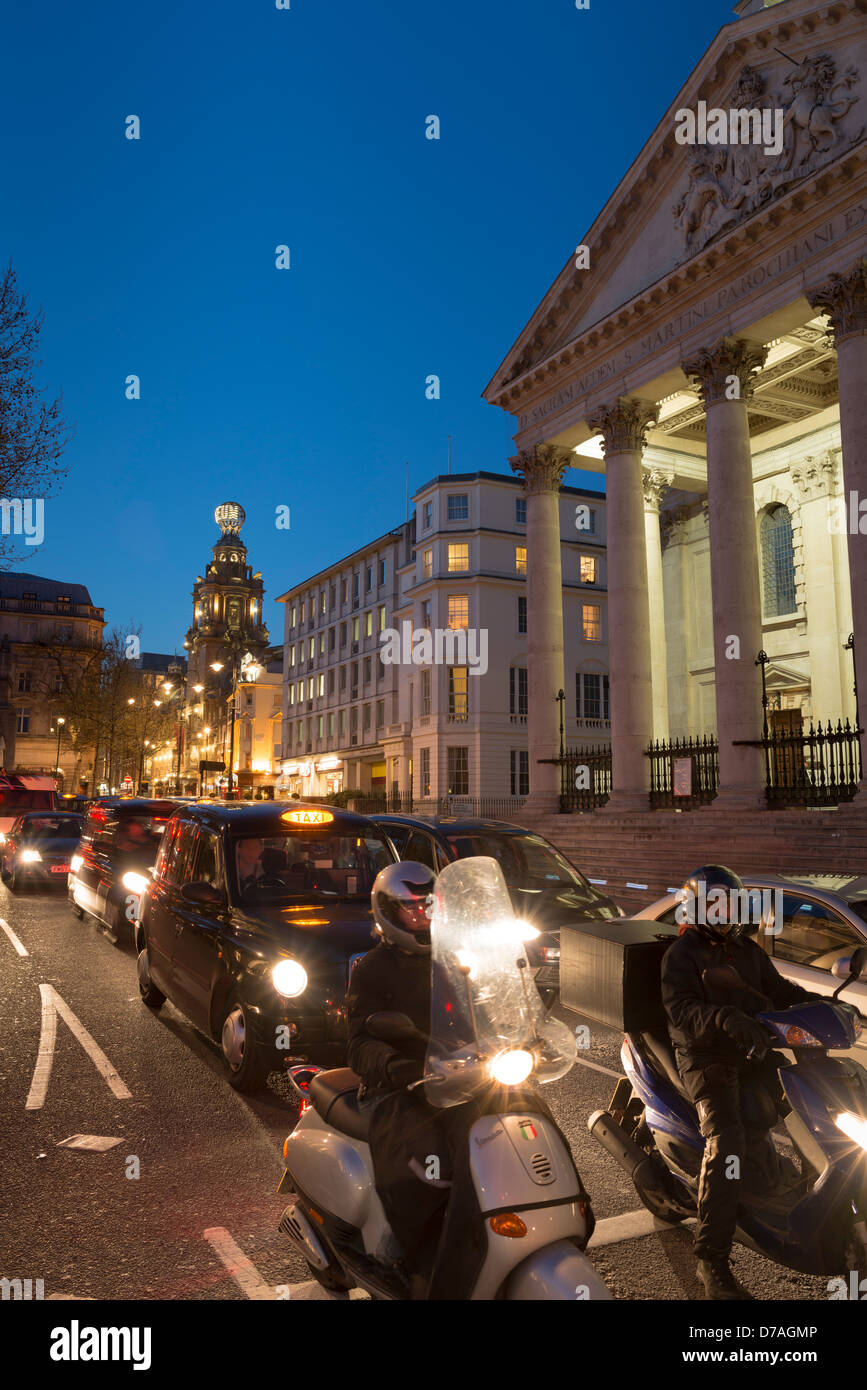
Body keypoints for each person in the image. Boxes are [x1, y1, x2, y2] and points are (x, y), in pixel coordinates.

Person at [661, 863, 818, 1302]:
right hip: (705, 1057)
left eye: (729, 902)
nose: (724, 910)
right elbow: (683, 1012)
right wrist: (724, 1017)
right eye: (714, 903)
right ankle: (711, 1259)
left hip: (751, 1052)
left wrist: (829, 1007)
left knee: (809, 1110)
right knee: (726, 1141)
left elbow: (782, 991)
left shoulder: (747, 951)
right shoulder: (682, 955)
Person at [346, 861, 470, 1300]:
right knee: (424, 1169)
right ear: (387, 912)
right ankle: (408, 1256)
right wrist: (398, 1067)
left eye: (428, 906)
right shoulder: (373, 968)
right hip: (398, 1088)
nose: (423, 916)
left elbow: (484, 1010)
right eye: (411, 909)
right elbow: (359, 1044)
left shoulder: (452, 959)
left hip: (459, 1079)